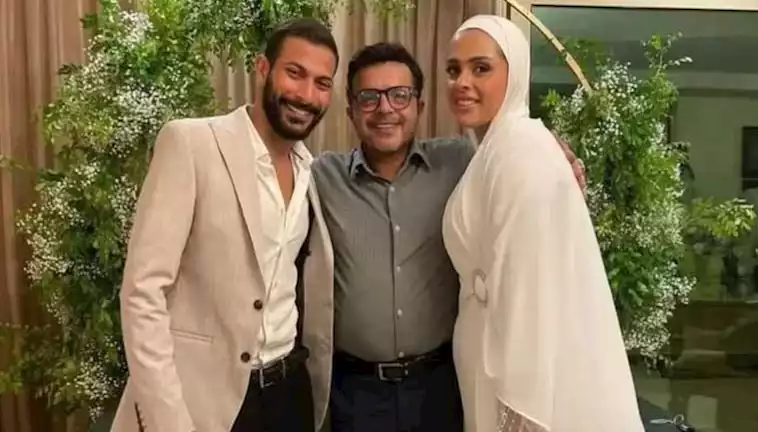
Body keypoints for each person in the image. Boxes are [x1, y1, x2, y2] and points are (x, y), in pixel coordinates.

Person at [311, 42, 585, 432]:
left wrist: (554, 155)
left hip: (440, 386)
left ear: (419, 106)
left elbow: (514, 151)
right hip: (355, 393)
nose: (385, 108)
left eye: (399, 95)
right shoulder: (322, 177)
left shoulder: (462, 162)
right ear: (351, 110)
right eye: (369, 97)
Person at [112, 18, 336, 432]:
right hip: (205, 398)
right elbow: (143, 292)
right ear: (263, 68)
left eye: (322, 83)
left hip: (289, 390)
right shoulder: (191, 144)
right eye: (295, 73)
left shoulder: (311, 170)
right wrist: (168, 420)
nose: (307, 95)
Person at [441, 15, 644, 432]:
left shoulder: (522, 149)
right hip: (480, 356)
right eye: (453, 69)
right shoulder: (489, 150)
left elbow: (528, 299)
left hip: (511, 364)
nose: (462, 82)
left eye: (481, 68)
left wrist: (517, 415)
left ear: (515, 73)